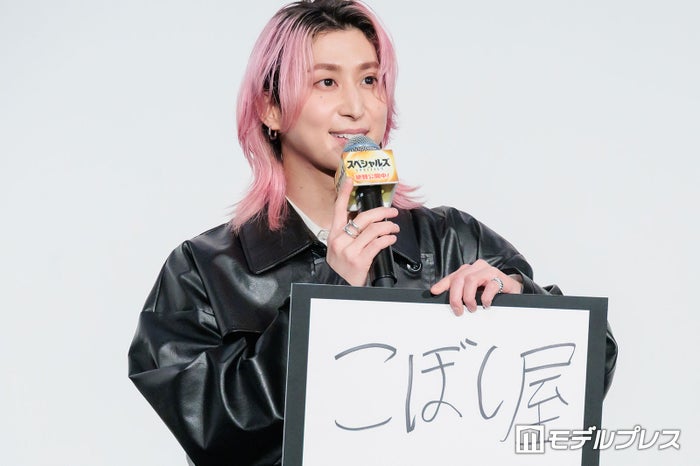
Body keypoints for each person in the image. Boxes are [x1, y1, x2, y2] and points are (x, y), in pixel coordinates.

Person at [128, 1, 618, 464]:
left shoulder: (450, 239)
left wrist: (519, 302)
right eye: (326, 82)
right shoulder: (204, 269)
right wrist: (329, 293)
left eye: (369, 80)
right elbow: (213, 434)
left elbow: (590, 368)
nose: (356, 107)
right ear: (271, 109)